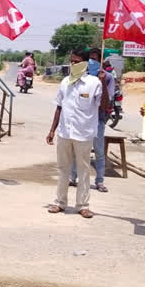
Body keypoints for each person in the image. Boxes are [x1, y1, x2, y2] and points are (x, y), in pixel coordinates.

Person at [46, 49, 109, 219]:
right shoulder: (66, 81)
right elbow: (59, 106)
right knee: (63, 168)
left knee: (83, 170)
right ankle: (59, 202)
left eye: (77, 61)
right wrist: (52, 130)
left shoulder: (94, 82)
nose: (73, 64)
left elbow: (103, 106)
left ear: (85, 63)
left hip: (84, 133)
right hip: (65, 132)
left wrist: (103, 83)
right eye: (71, 61)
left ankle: (82, 205)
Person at [69, 48, 114, 193]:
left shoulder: (107, 77)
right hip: (82, 120)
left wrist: (102, 84)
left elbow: (107, 102)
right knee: (78, 150)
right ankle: (73, 177)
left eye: (96, 59)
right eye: (91, 59)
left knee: (99, 151)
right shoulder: (82, 76)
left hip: (98, 120)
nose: (93, 61)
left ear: (101, 60)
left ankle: (99, 180)